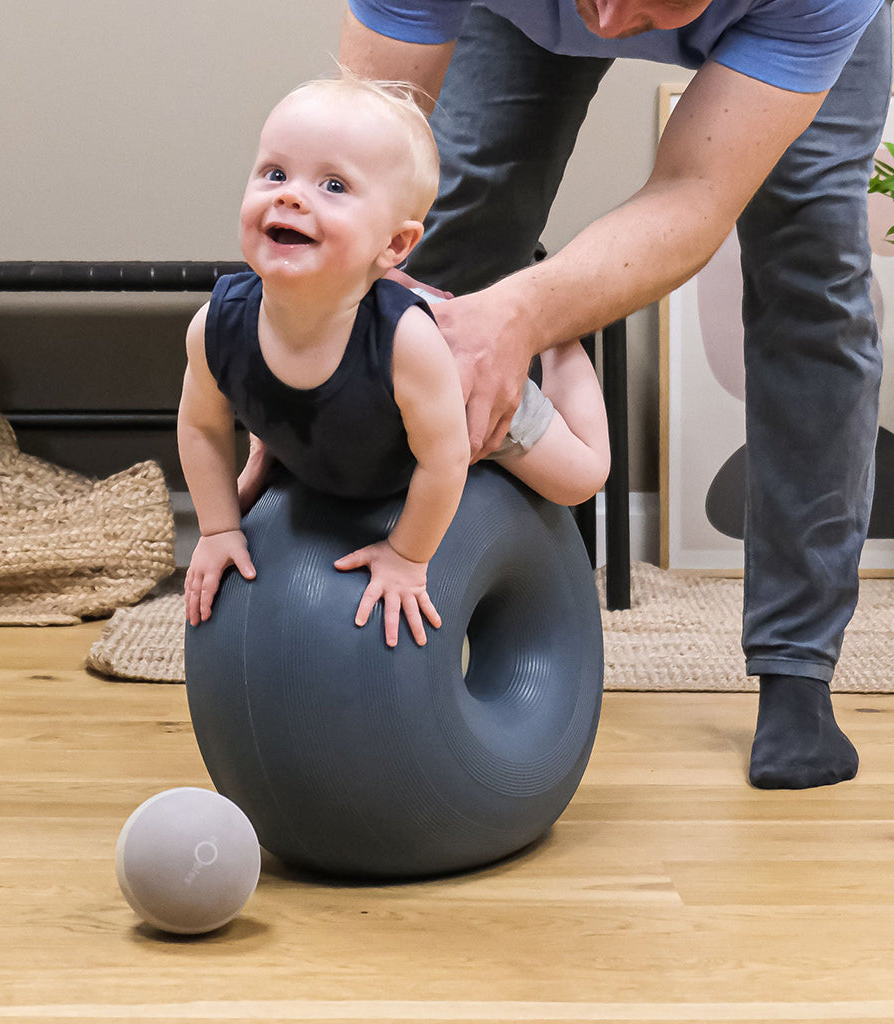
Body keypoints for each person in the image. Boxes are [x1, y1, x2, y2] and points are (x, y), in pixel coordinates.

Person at [337, 0, 892, 788]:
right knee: (448, 224)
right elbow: (359, 150)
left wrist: (527, 315)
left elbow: (697, 195)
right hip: (516, 16)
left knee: (815, 285)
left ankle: (797, 671)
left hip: (788, 23)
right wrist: (311, 341)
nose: (607, 17)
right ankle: (368, 585)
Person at [177, 71, 610, 647]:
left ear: (396, 245)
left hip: (449, 404)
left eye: (334, 186)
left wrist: (408, 557)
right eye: (275, 173)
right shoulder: (217, 326)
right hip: (359, 421)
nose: (289, 194)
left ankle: (559, 338)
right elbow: (200, 426)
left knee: (581, 479)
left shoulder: (409, 343)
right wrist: (217, 528)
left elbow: (446, 459)